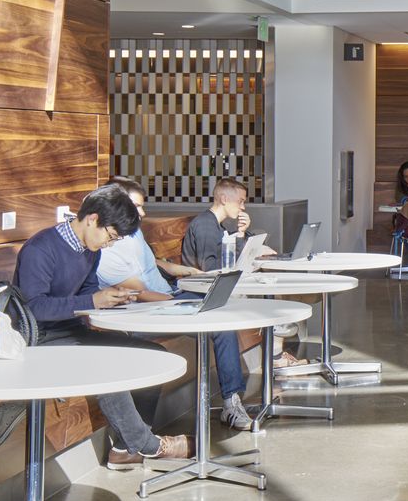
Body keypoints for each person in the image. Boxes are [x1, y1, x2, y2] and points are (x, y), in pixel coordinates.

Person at [13, 185, 190, 467]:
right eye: (110, 236)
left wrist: (112, 299)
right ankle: (147, 444)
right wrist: (94, 300)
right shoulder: (41, 248)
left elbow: (88, 291)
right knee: (107, 365)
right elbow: (34, 308)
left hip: (73, 332)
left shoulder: (90, 249)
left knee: (153, 355)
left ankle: (125, 448)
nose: (109, 245)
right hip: (41, 339)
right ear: (92, 218)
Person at [102, 178, 253, 431]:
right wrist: (176, 302)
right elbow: (138, 293)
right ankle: (231, 402)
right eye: (136, 206)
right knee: (220, 319)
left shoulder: (134, 232)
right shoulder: (109, 244)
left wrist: (184, 270)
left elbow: (154, 263)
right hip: (150, 308)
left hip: (169, 294)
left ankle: (232, 399)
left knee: (221, 309)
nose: (142, 213)